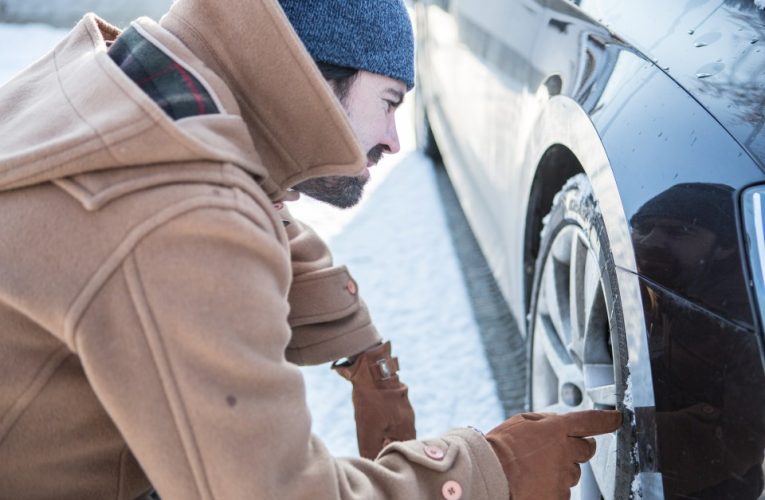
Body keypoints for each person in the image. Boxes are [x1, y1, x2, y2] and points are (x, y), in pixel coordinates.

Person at [0, 0, 621, 498]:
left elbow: (234, 190)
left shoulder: (121, 88)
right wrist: (490, 471)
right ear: (307, 79)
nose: (393, 139)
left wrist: (357, 340)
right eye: (388, 103)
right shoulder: (179, 219)